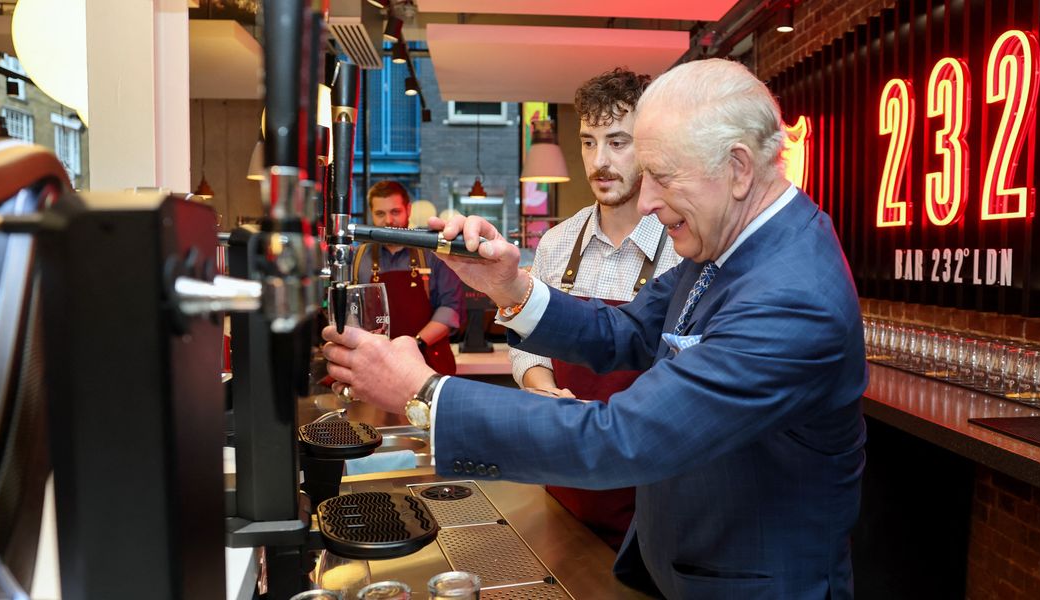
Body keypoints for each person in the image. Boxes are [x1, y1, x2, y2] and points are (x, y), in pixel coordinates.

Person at [323, 59, 867, 599]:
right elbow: (625, 331)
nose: (649, 200)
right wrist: (508, 286)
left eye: (662, 175)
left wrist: (423, 394)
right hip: (676, 564)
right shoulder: (726, 245)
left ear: (739, 168)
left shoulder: (793, 295)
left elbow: (626, 436)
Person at [511, 67, 681, 550]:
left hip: (648, 488)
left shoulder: (681, 244)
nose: (599, 161)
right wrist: (544, 391)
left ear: (649, 144)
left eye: (618, 142)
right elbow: (529, 346)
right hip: (564, 478)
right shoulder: (557, 242)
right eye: (588, 142)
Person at [352, 180, 464, 375]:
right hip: (375, 365)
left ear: (408, 210)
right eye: (380, 213)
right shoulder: (359, 258)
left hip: (428, 362)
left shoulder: (433, 253)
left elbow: (451, 308)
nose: (388, 220)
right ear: (371, 213)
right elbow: (352, 312)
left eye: (395, 212)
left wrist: (414, 344)